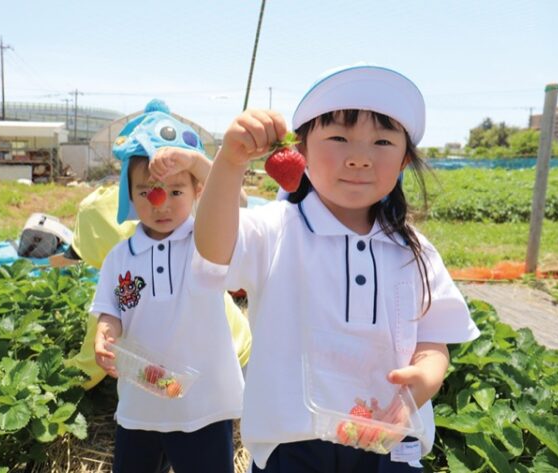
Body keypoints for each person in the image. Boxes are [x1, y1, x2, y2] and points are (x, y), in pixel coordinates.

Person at [194, 64, 480, 472]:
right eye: (339, 137)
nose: (360, 158)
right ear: (302, 151)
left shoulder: (413, 249)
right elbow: (212, 250)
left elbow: (432, 338)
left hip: (390, 438)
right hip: (294, 443)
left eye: (382, 141)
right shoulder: (276, 230)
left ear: (403, 161)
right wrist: (229, 163)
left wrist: (426, 378)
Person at [91, 100, 244, 473]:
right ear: (129, 195)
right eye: (146, 192)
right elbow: (110, 310)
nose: (161, 203)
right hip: (140, 404)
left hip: (203, 405)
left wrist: (194, 162)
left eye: (176, 191)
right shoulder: (120, 257)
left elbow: (233, 200)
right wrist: (105, 335)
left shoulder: (207, 241)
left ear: (196, 192)